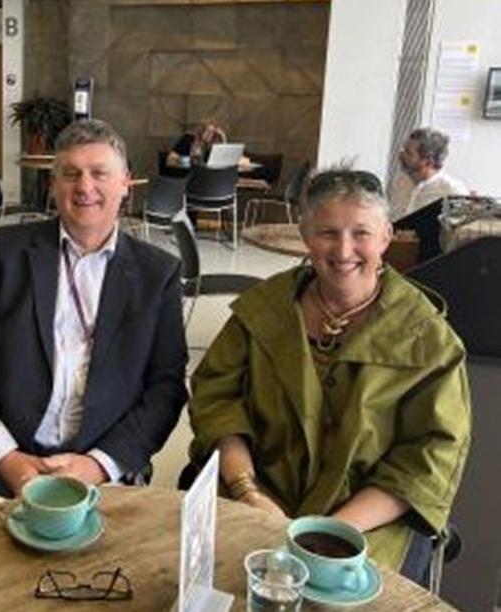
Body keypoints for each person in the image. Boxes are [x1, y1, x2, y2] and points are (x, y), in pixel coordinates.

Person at [187, 166, 471, 581]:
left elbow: (429, 456)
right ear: (305, 235)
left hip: (367, 523)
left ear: (386, 237)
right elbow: (217, 402)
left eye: (361, 233)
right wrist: (248, 493)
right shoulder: (261, 311)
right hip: (255, 498)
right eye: (327, 233)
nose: (343, 250)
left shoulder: (428, 339)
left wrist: (329, 531)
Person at [0, 119, 188, 524]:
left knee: (99, 579)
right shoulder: (2, 253)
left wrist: (98, 465)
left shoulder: (157, 274)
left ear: (126, 183)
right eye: (70, 174)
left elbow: (166, 388)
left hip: (98, 464)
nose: (84, 187)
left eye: (99, 173)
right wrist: (7, 458)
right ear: (53, 186)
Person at [390, 127, 468, 219]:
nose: (401, 155)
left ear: (429, 162)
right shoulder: (401, 181)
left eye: (408, 153)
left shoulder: (452, 192)